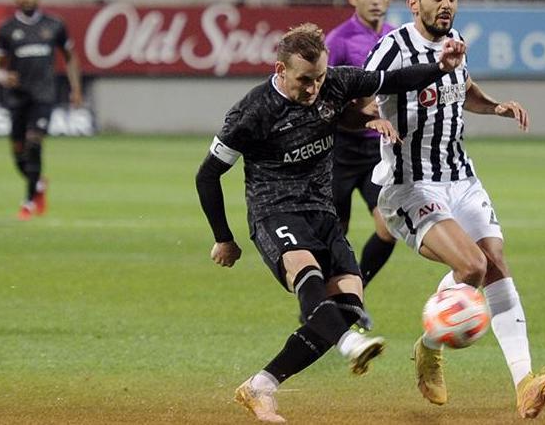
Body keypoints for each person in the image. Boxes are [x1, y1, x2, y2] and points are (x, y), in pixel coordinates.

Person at [195, 23, 465, 423]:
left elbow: (393, 80)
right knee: (308, 277)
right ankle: (348, 345)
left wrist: (440, 67)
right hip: (275, 211)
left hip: (322, 212)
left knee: (349, 307)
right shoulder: (252, 112)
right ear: (280, 70)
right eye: (304, 80)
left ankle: (261, 385)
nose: (313, 88)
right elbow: (207, 175)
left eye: (319, 77)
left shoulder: (335, 83)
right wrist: (223, 238)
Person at [363, 0, 545, 419]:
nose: (446, 4)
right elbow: (357, 97)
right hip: (411, 186)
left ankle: (525, 384)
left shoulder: (455, 42)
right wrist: (373, 119)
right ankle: (430, 345)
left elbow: (462, 87)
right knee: (471, 266)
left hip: (461, 176)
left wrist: (494, 107)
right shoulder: (392, 49)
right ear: (413, 3)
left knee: (493, 263)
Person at [325, 0, 397, 288]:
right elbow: (323, 96)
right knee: (336, 234)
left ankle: (356, 293)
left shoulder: (396, 38)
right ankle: (329, 301)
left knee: (389, 227)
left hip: (377, 152)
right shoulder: (338, 41)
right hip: (340, 149)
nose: (375, 0)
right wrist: (357, 109)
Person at [0, 0, 83, 221]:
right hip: (17, 97)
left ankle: (29, 202)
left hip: (43, 96)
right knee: (18, 153)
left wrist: (75, 88)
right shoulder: (6, 29)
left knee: (34, 143)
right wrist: (2, 76)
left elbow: (70, 57)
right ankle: (38, 183)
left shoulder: (54, 25)